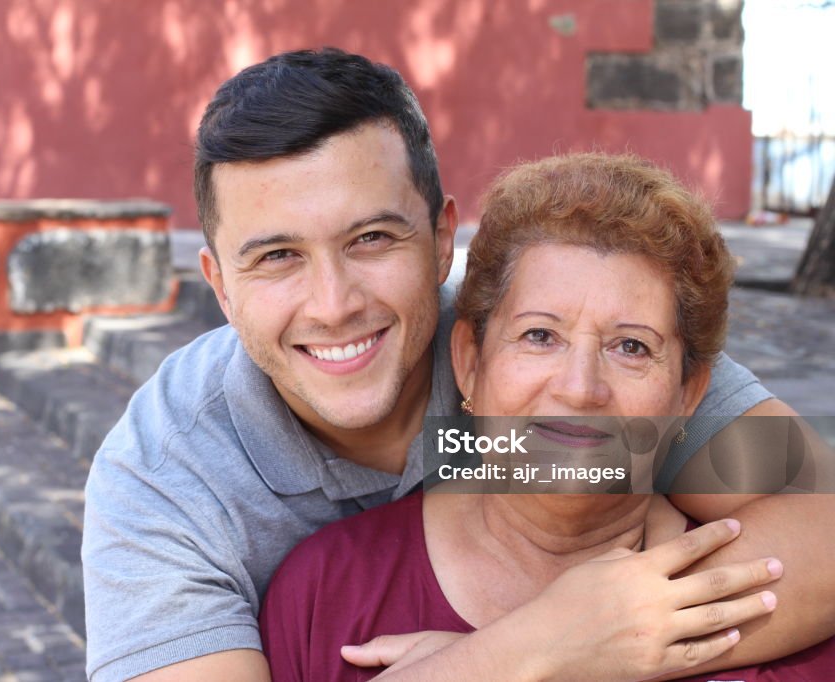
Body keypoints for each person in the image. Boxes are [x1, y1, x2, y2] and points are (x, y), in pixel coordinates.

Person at [81, 49, 835, 681]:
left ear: (443, 238)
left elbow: (823, 522)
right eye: (278, 257)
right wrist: (531, 651)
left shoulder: (537, 348)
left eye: (373, 238)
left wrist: (614, 647)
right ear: (219, 284)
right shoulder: (166, 475)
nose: (334, 303)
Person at [259, 152, 835, 681]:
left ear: (689, 394)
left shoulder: (790, 620)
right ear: (468, 364)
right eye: (540, 336)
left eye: (631, 347)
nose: (580, 389)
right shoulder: (323, 595)